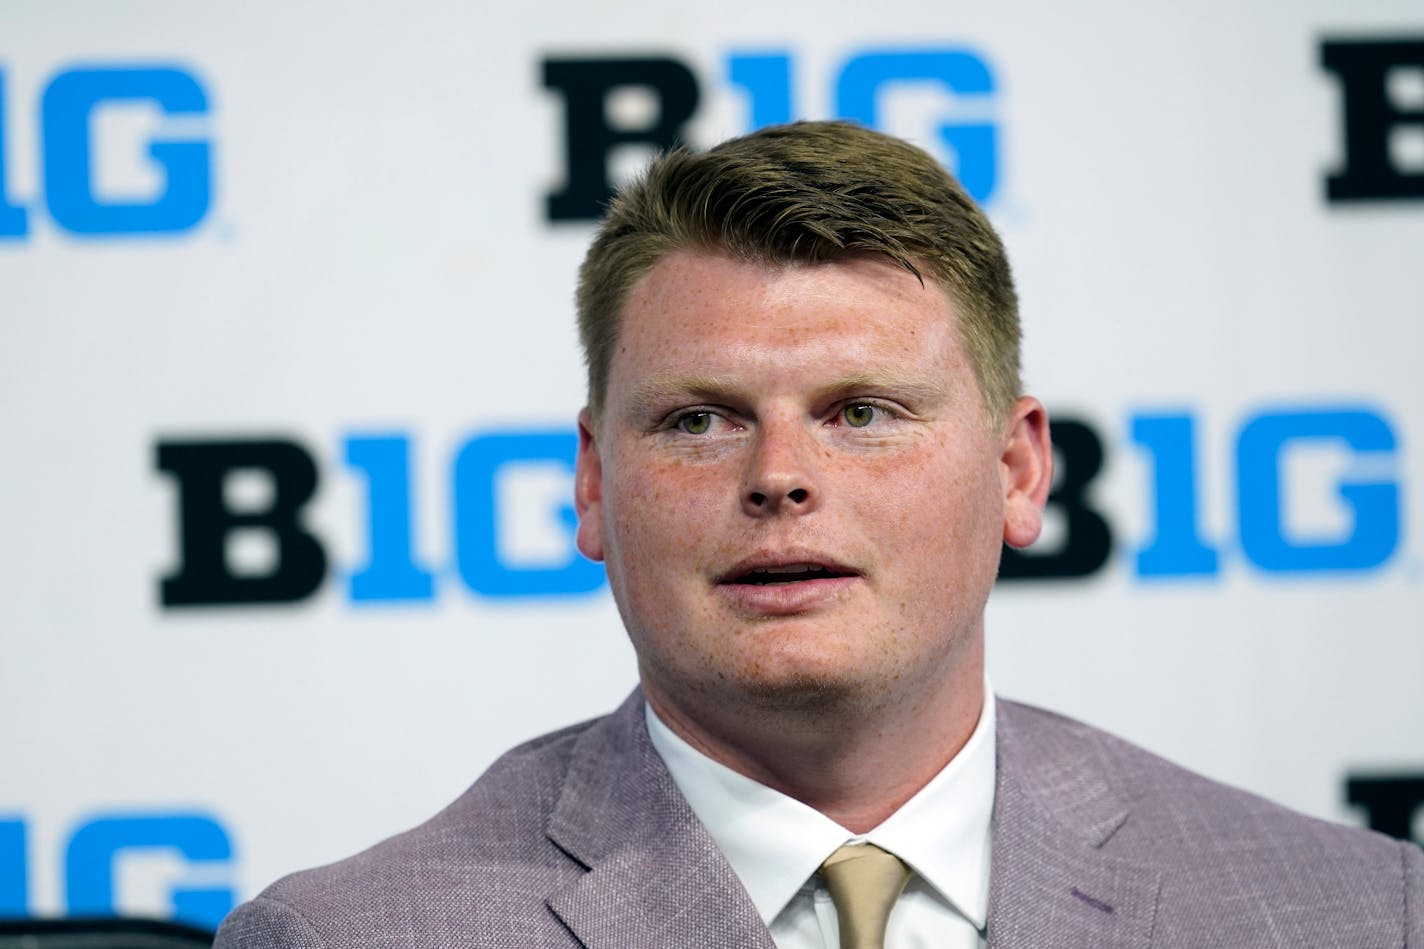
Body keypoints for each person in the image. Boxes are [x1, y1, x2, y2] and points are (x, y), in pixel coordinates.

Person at [215, 121, 1422, 948]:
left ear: (1016, 471)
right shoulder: (357, 934)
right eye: (698, 419)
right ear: (592, 484)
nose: (779, 476)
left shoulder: (1356, 913)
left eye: (862, 412)